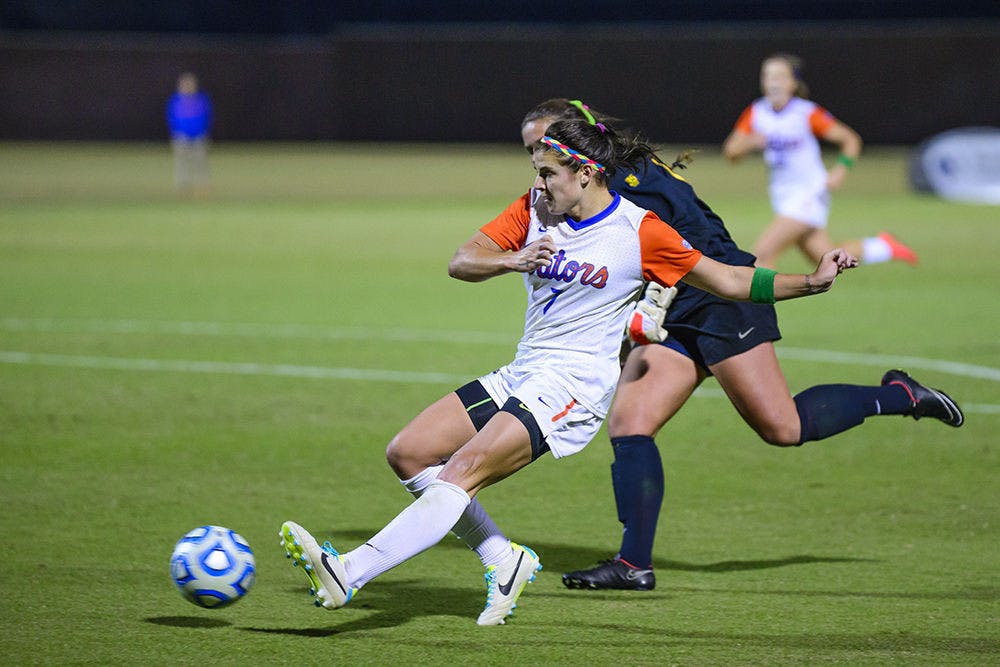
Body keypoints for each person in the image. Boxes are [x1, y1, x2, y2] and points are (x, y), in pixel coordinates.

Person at [280, 119, 858, 626]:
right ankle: (503, 560)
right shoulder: (533, 210)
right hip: (524, 371)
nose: (539, 184)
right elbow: (462, 261)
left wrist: (812, 281)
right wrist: (511, 259)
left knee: (462, 471)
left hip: (572, 388)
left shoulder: (640, 230)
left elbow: (730, 280)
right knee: (407, 452)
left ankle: (350, 571)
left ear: (585, 173)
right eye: (536, 171)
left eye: (549, 172)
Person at [519, 99, 964, 592]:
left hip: (720, 301)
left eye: (542, 146)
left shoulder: (629, 180)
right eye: (531, 151)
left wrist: (650, 307)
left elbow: (692, 250)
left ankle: (900, 395)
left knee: (783, 427)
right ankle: (633, 565)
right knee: (630, 423)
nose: (536, 163)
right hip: (679, 310)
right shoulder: (589, 186)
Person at [722, 53, 917, 268]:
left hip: (810, 193)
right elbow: (730, 153)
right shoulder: (757, 112)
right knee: (826, 260)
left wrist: (841, 169)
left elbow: (850, 139)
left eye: (779, 76)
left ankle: (758, 303)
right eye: (767, 76)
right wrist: (750, 143)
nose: (773, 82)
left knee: (762, 256)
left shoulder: (805, 112)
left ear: (793, 83)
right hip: (783, 196)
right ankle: (883, 247)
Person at [166, 72, 212, 195]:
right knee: (181, 162)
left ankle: (202, 185)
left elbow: (207, 117)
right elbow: (172, 118)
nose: (188, 86)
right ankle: (182, 185)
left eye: (190, 84)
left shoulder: (201, 99)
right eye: (185, 84)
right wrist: (175, 133)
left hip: (198, 136)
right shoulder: (176, 100)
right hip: (181, 136)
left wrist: (204, 133)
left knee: (200, 162)